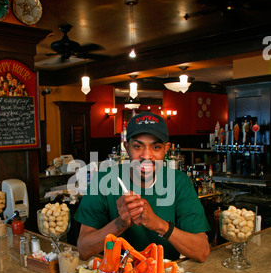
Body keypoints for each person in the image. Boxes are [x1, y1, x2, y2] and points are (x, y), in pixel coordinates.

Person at [75, 112, 210, 263]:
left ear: (166, 149)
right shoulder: (103, 180)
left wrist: (159, 224)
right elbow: (84, 249)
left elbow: (202, 251)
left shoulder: (180, 182)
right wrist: (120, 223)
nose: (146, 155)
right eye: (138, 146)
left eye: (156, 147)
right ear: (126, 147)